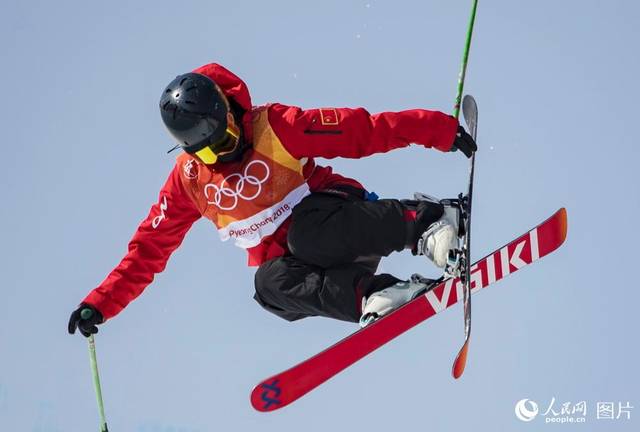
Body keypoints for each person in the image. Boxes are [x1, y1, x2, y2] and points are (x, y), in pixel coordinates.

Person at [68, 62, 477, 337]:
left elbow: (361, 131)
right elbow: (149, 249)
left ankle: (427, 221)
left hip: (339, 217)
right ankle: (374, 294)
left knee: (306, 234)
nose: (223, 155)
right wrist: (101, 304)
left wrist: (435, 130)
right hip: (312, 261)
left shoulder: (273, 127)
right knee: (268, 285)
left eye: (227, 139)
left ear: (230, 112)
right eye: (209, 152)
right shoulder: (190, 182)